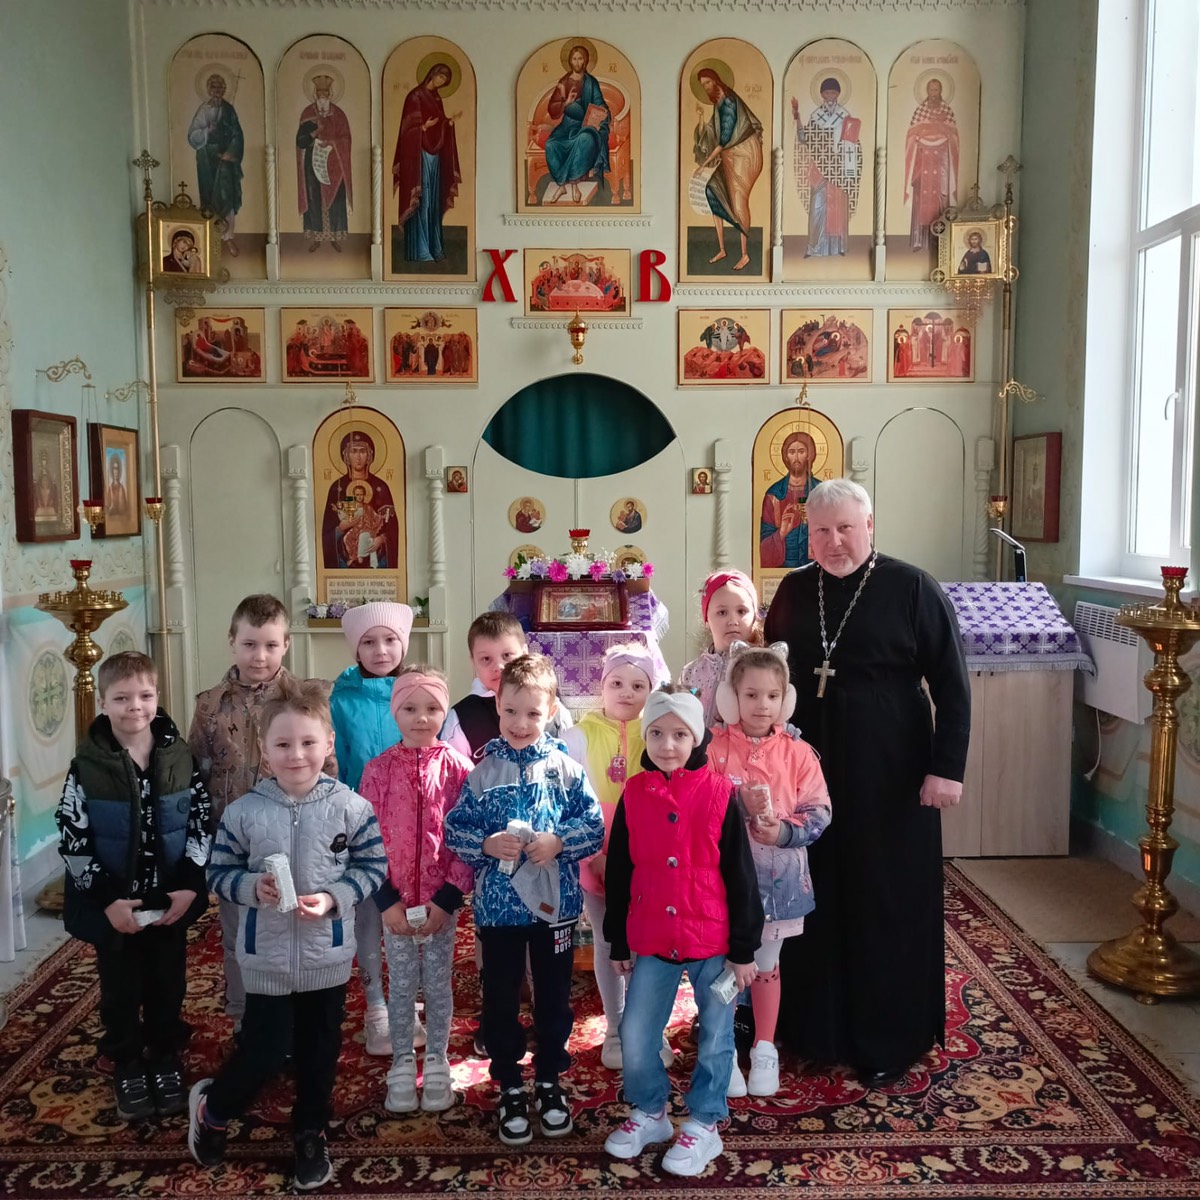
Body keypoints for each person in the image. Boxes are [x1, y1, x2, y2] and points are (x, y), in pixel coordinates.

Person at [763, 478, 971, 1087]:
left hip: (892, 769)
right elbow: (769, 678)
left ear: (870, 526)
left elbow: (952, 684)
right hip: (807, 769)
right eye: (821, 531)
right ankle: (813, 1027)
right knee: (812, 890)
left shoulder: (912, 587)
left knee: (885, 895)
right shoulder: (795, 589)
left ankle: (888, 1036)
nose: (834, 542)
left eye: (846, 529)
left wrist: (946, 768)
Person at [189, 679, 387, 1190]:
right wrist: (251, 887)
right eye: (282, 744)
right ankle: (214, 1110)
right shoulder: (244, 813)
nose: (296, 755)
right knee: (265, 1048)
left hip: (327, 954)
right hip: (267, 958)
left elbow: (372, 867)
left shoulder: (352, 808)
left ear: (328, 743)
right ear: (264, 748)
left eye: (307, 742)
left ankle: (310, 1131)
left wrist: (335, 897)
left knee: (321, 1051)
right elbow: (218, 872)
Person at [602, 685, 763, 1177]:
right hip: (653, 937)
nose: (667, 745)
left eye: (678, 734)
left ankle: (705, 1123)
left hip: (713, 941)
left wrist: (744, 949)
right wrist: (619, 938)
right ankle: (651, 1112)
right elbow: (620, 871)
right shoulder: (634, 794)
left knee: (716, 1036)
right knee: (635, 1032)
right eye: (656, 733)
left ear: (696, 738)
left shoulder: (720, 794)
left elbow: (741, 875)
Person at [444, 654, 604, 1146]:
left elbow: (594, 826)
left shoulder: (567, 770)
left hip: (555, 910)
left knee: (554, 997)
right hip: (499, 911)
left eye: (532, 713)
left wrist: (559, 842)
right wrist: (486, 844)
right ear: (497, 705)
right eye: (511, 711)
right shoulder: (481, 772)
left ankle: (550, 1078)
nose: (520, 723)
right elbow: (455, 830)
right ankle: (510, 1083)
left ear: (551, 710)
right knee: (500, 996)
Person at [57, 651, 211, 1121]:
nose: (134, 707)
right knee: (120, 987)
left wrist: (190, 885)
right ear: (103, 702)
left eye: (144, 696)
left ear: (157, 696)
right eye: (122, 698)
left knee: (168, 980)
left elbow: (200, 820)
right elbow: (73, 836)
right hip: (116, 901)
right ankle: (125, 1057)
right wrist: (106, 901)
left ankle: (163, 1051)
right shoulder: (87, 766)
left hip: (167, 897)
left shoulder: (178, 756)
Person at [188, 594, 335, 1042]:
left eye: (271, 645)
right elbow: (197, 775)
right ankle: (245, 1021)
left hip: (298, 838)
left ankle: (293, 1018)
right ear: (232, 641)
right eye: (250, 644)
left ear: (286, 644)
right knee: (240, 935)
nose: (260, 656)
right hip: (235, 845)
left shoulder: (305, 699)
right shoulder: (209, 706)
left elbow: (328, 770)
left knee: (293, 932)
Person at [708, 644, 830, 1097]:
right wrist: (736, 806)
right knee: (723, 965)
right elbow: (698, 807)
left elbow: (819, 811)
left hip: (779, 885)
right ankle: (722, 1047)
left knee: (765, 964)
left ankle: (764, 1046)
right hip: (721, 884)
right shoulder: (714, 749)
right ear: (731, 698)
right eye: (751, 695)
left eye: (772, 696)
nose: (762, 705)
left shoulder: (799, 752)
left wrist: (783, 831)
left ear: (786, 699)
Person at [358, 667, 474, 1113]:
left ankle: (438, 1058)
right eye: (410, 708)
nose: (421, 718)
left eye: (431, 708)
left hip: (441, 904)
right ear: (395, 712)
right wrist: (386, 902)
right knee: (403, 984)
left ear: (444, 713)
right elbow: (365, 842)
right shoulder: (378, 771)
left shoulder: (460, 770)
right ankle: (403, 1060)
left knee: (439, 983)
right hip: (395, 905)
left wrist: (448, 899)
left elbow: (468, 839)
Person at [563, 644, 673, 1070]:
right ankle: (615, 1027)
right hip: (597, 860)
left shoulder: (659, 734)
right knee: (609, 941)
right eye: (617, 683)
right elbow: (570, 803)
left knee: (649, 944)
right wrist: (594, 855)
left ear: (651, 690)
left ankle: (649, 1029)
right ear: (602, 686)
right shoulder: (579, 737)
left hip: (649, 861)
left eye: (638, 686)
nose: (627, 692)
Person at [330, 601, 415, 1058]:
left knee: (407, 914)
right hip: (362, 826)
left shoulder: (415, 690)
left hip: (411, 825)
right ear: (355, 648)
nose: (380, 650)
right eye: (368, 642)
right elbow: (338, 764)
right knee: (367, 914)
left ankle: (407, 998)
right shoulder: (341, 701)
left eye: (389, 640)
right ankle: (376, 1004)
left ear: (404, 644)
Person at [692, 68, 764, 271]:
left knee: (739, 202)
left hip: (745, 153)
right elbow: (712, 131)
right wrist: (700, 119)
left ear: (716, 80)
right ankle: (722, 249)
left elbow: (723, 139)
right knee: (712, 190)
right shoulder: (719, 102)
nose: (706, 87)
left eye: (708, 82)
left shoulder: (729, 102)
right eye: (703, 85)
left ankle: (745, 254)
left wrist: (704, 165)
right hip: (730, 154)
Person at [393, 63, 462, 264]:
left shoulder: (436, 98)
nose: (441, 81)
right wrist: (423, 127)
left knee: (433, 202)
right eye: (440, 77)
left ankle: (435, 248)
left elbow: (439, 125)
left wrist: (449, 123)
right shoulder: (414, 97)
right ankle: (421, 251)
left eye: (445, 80)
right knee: (422, 200)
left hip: (434, 156)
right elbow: (407, 130)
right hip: (418, 156)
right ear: (432, 74)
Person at [679, 570, 762, 727]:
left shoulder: (764, 668)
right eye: (722, 612)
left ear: (754, 617)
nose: (733, 620)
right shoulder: (690, 673)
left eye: (741, 611)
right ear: (706, 619)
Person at [792, 78, 861, 257]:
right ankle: (814, 247)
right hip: (820, 167)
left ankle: (838, 247)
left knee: (837, 207)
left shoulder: (845, 116)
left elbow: (852, 141)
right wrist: (797, 118)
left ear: (838, 94)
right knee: (817, 207)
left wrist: (847, 160)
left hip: (838, 168)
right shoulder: (816, 116)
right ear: (822, 95)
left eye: (833, 92)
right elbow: (804, 139)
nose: (830, 96)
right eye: (827, 93)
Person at [321, 431, 399, 570]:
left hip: (376, 556)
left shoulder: (380, 487)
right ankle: (352, 557)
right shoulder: (337, 488)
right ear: (346, 456)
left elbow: (392, 527)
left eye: (362, 451)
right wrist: (340, 528)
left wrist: (381, 539)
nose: (358, 457)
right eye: (353, 451)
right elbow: (326, 531)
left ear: (369, 455)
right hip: (343, 561)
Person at [544, 44, 611, 205]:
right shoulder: (564, 82)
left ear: (585, 60)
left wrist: (602, 111)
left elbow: (599, 102)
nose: (577, 62)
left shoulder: (591, 82)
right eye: (574, 59)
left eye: (580, 58)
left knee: (585, 139)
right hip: (567, 126)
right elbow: (552, 108)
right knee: (551, 144)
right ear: (570, 61)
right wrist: (566, 103)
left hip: (585, 125)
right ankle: (562, 186)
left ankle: (573, 185)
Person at [187, 72, 244, 257]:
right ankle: (210, 238)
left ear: (224, 89)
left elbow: (237, 135)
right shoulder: (204, 110)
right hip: (206, 159)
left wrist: (230, 153)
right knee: (208, 196)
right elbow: (192, 135)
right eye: (214, 87)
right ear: (209, 89)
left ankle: (228, 237)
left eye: (220, 87)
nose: (217, 90)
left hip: (224, 160)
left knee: (226, 197)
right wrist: (207, 131)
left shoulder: (229, 110)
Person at [296, 74, 352, 253]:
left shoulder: (339, 115)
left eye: (325, 92)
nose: (322, 95)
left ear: (330, 93)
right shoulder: (307, 114)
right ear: (314, 93)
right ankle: (317, 238)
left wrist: (332, 143)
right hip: (313, 164)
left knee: (336, 200)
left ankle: (334, 237)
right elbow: (300, 141)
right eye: (319, 92)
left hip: (334, 165)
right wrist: (314, 135)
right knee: (314, 200)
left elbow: (346, 139)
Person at [903, 77, 959, 253]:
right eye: (931, 90)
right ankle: (919, 239)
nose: (934, 93)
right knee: (921, 196)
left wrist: (941, 129)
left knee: (940, 196)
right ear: (927, 91)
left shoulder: (946, 110)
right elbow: (912, 134)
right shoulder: (920, 110)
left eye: (936, 90)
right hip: (923, 160)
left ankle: (940, 241)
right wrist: (924, 132)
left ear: (941, 91)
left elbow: (953, 134)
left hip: (941, 160)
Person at [761, 430, 821, 570]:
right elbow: (763, 549)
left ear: (809, 455)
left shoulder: (821, 492)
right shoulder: (774, 495)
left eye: (801, 451)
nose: (796, 457)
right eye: (792, 452)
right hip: (784, 566)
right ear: (785, 457)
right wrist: (781, 532)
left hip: (816, 566)